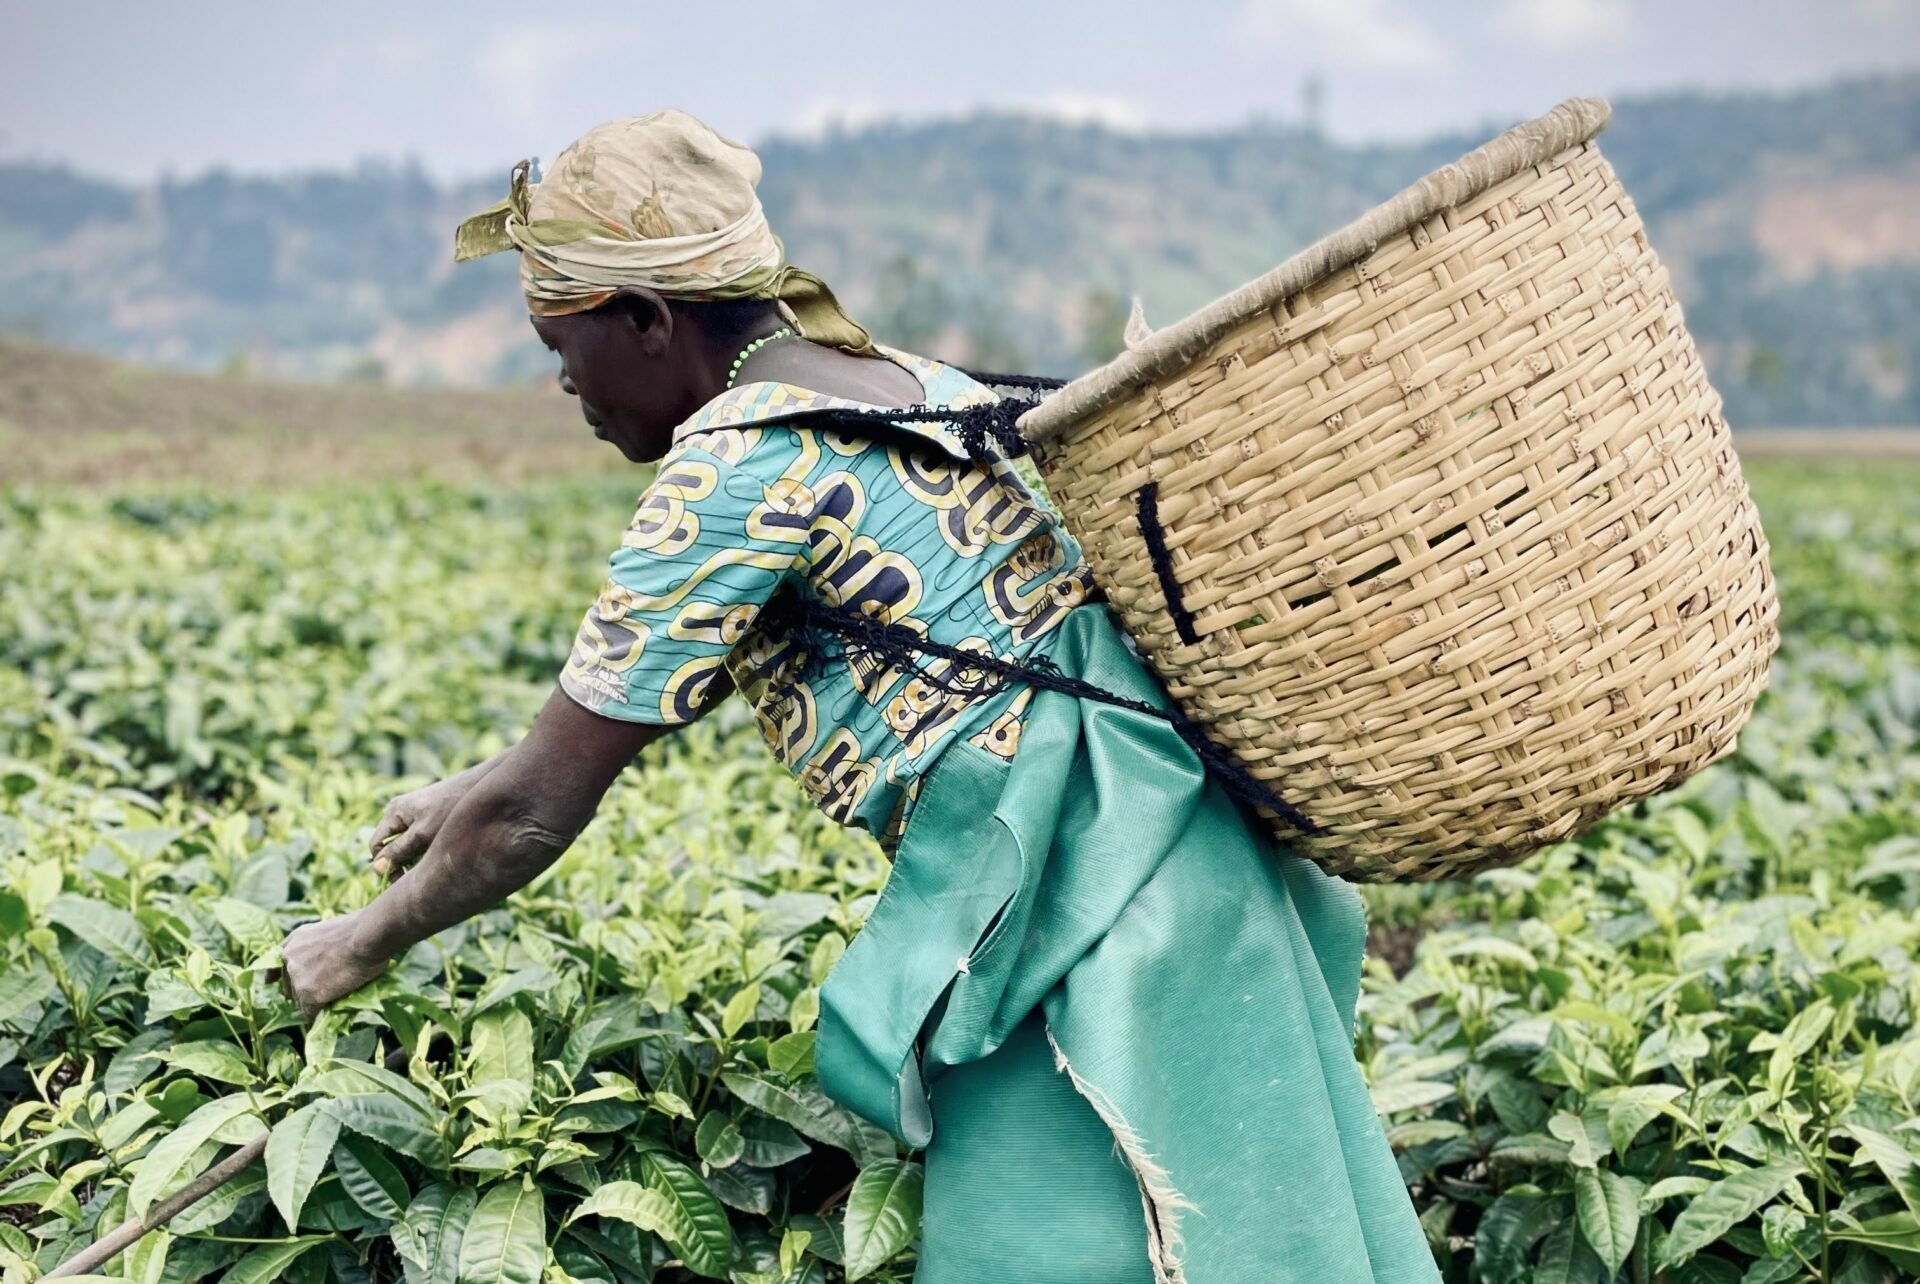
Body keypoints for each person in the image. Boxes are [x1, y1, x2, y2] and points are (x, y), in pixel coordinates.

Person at [280, 109, 1438, 1284]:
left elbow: (538, 809)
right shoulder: (909, 380)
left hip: (1073, 929)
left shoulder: (735, 467)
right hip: (1199, 872)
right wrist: (464, 790)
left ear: (643, 321)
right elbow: (579, 738)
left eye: (557, 345)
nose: (562, 385)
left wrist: (359, 943)